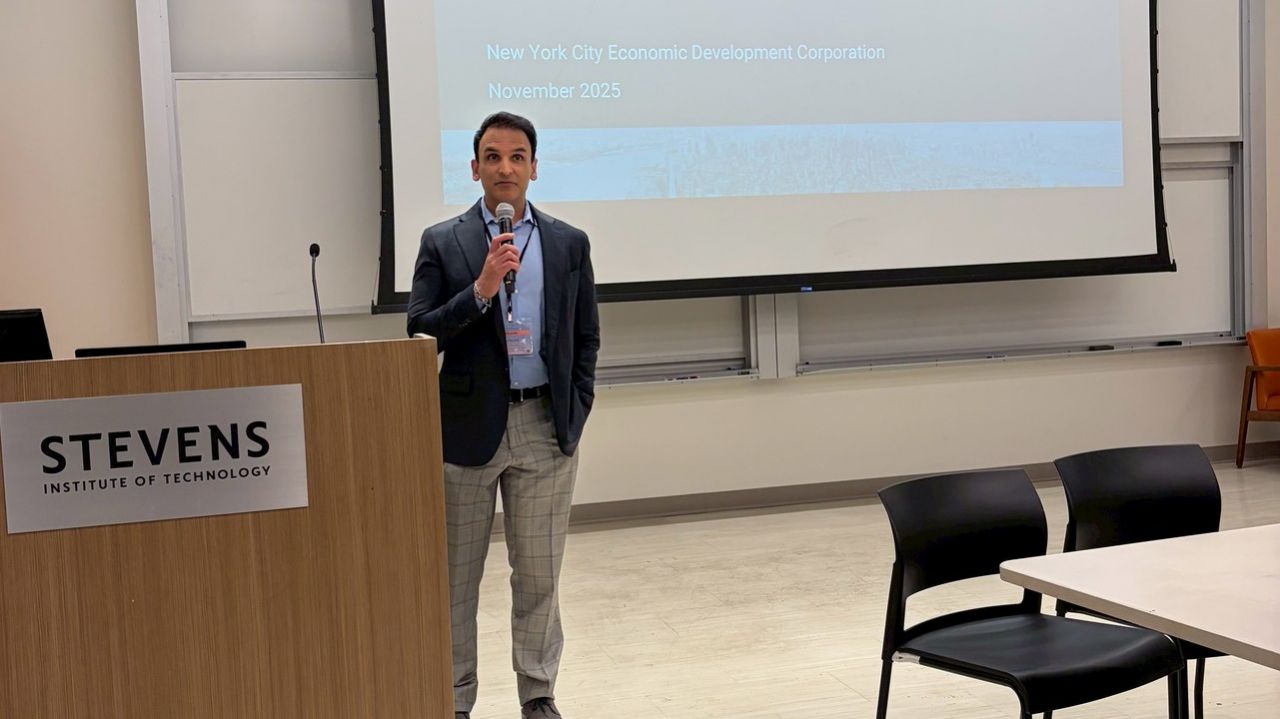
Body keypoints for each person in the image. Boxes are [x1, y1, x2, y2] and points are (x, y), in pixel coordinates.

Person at [407, 111, 600, 719]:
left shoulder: (568, 242)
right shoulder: (444, 241)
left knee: (538, 576)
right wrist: (482, 289)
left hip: (544, 427)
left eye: (517, 157)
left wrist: (575, 411)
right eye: (493, 157)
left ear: (534, 168)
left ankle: (538, 694)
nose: (505, 168)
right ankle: (454, 698)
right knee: (455, 581)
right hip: (466, 433)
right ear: (475, 168)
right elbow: (420, 332)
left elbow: (585, 336)